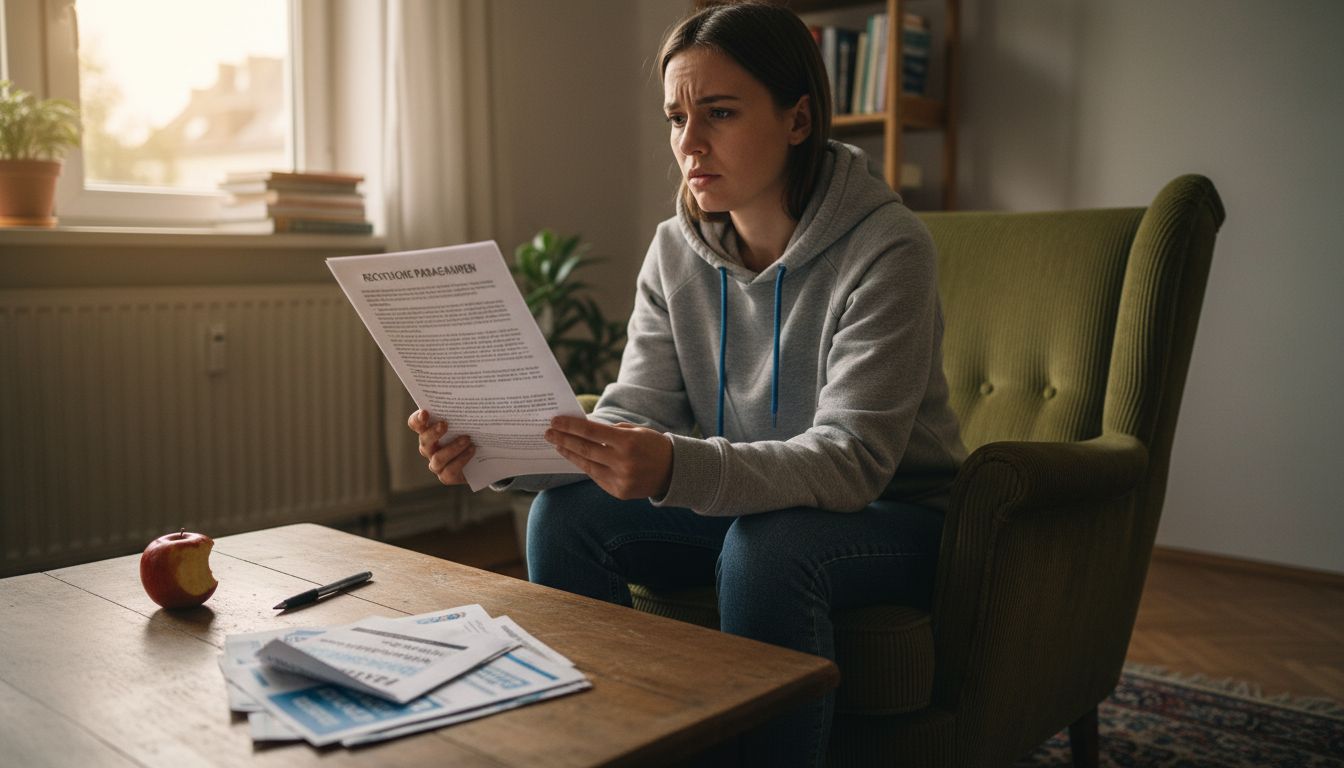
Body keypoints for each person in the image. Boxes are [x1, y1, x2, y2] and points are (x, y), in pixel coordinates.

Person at [408, 2, 966, 765]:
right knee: (566, 518)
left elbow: (852, 460)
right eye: (676, 118)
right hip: (747, 505)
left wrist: (677, 465)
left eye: (720, 113)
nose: (689, 144)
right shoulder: (675, 251)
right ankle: (618, 747)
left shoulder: (888, 248)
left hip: (892, 515)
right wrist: (495, 448)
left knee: (768, 549)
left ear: (798, 119)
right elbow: (633, 415)